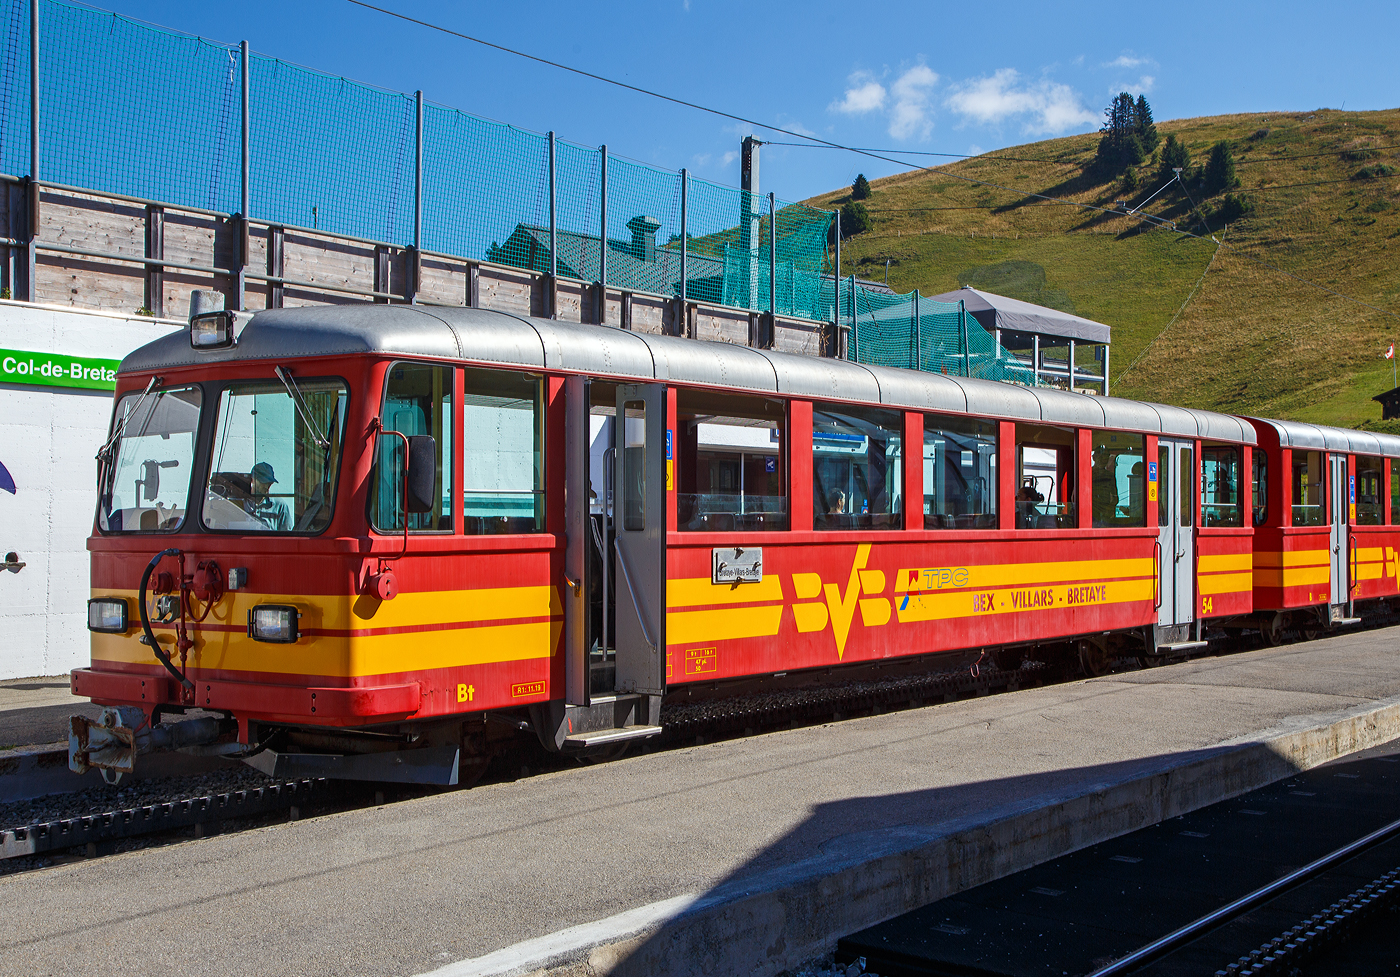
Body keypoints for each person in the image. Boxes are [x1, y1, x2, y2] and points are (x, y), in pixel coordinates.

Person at [249, 461, 291, 531]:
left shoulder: (280, 506)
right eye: (263, 482)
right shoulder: (240, 503)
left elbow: (287, 536)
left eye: (269, 483)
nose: (267, 486)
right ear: (252, 480)